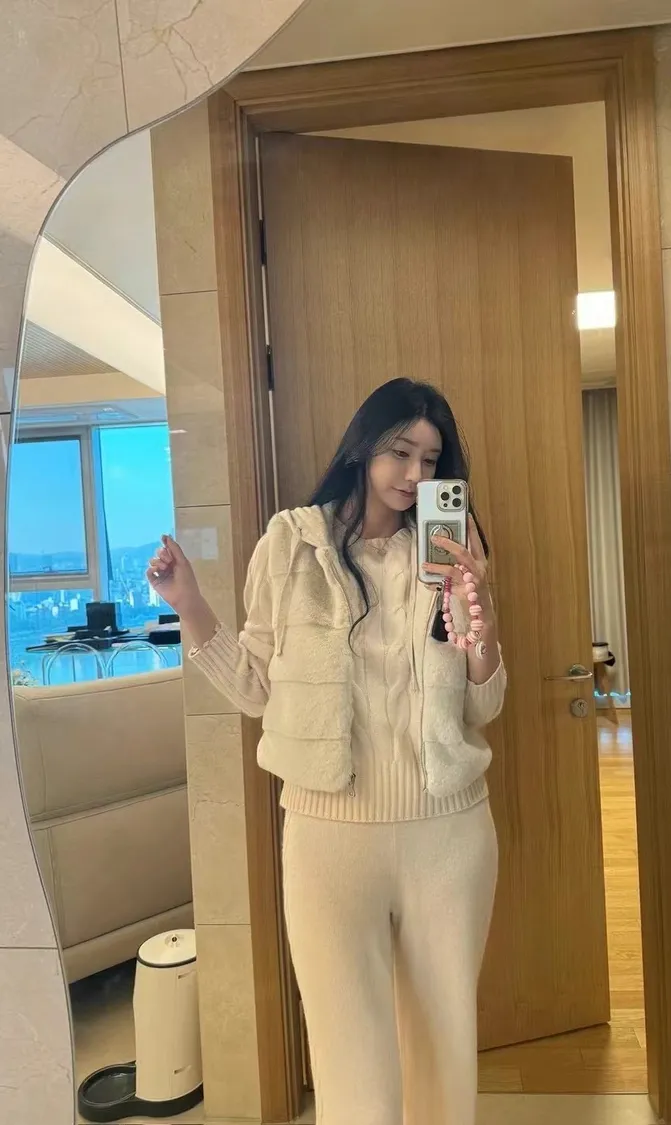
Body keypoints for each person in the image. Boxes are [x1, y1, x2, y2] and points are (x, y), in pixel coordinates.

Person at [146, 378, 507, 1125]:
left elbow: (484, 705)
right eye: (400, 451)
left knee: (444, 1048)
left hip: (449, 833)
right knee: (351, 1062)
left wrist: (481, 621)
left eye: (430, 459)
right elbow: (255, 689)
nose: (414, 474)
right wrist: (190, 604)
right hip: (327, 840)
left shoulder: (450, 547)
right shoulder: (290, 544)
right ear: (362, 447)